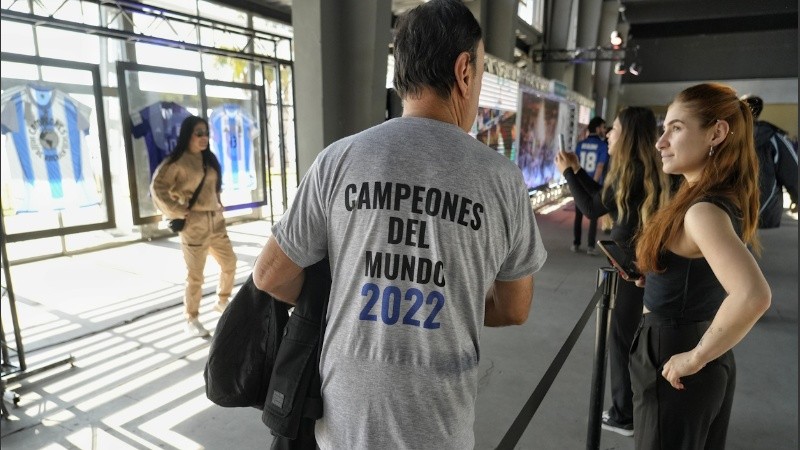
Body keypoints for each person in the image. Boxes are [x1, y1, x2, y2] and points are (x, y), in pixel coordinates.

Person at [252, 1, 547, 448]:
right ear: (464, 70)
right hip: (439, 428)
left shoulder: (339, 160)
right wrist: (449, 298)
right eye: (483, 71)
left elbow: (270, 275)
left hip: (343, 423)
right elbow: (514, 307)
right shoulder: (501, 180)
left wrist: (352, 295)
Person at [632, 83, 771, 449]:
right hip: (694, 344)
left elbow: (753, 295)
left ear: (716, 133)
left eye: (675, 128)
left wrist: (693, 359)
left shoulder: (703, 210)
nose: (661, 141)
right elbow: (703, 273)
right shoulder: (709, 199)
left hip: (678, 356)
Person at [555, 106, 671, 437]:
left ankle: (624, 413)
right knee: (631, 336)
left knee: (621, 339)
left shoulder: (630, 170)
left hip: (633, 270)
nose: (608, 133)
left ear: (629, 134)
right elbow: (603, 198)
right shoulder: (639, 169)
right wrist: (576, 171)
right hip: (642, 265)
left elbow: (592, 207)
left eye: (615, 129)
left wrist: (567, 173)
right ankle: (631, 407)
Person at [150, 115, 237, 338]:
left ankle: (223, 300)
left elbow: (214, 185)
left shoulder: (209, 160)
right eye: (199, 133)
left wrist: (218, 202)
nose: (204, 137)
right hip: (194, 224)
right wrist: (177, 210)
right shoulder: (176, 162)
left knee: (229, 262)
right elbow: (157, 188)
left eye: (206, 133)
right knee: (195, 276)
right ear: (187, 135)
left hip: (215, 221)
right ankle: (191, 317)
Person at [741, 95, 798, 228]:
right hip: (766, 215)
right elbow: (792, 172)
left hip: (731, 217)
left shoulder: (725, 136)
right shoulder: (773, 137)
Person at [571, 116, 609, 255]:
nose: (605, 131)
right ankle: (590, 246)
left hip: (580, 183)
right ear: (598, 128)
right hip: (592, 183)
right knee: (593, 216)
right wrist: (592, 185)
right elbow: (599, 167)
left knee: (578, 214)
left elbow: (575, 165)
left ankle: (576, 243)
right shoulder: (602, 146)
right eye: (604, 127)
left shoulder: (580, 144)